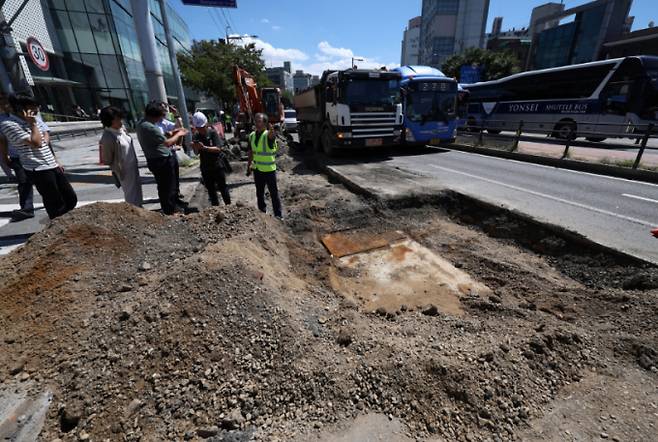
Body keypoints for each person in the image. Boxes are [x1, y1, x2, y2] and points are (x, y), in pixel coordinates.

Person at [0, 94, 77, 219]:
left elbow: (44, 140)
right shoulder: (8, 125)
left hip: (51, 163)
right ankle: (57, 226)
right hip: (36, 167)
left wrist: (55, 160)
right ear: (21, 109)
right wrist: (33, 125)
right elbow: (36, 143)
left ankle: (64, 222)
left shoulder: (33, 119)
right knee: (54, 201)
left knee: (70, 197)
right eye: (32, 107)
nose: (36, 110)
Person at [136, 102, 187, 215]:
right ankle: (170, 210)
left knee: (166, 186)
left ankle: (171, 207)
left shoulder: (141, 123)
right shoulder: (149, 127)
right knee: (168, 187)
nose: (161, 119)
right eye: (160, 116)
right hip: (161, 160)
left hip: (157, 158)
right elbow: (167, 143)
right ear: (155, 115)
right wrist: (179, 134)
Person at [0, 94, 36, 221]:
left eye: (5, 101)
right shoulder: (2, 120)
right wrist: (5, 157)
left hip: (35, 153)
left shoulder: (27, 116)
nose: (4, 105)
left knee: (47, 179)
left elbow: (43, 133)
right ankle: (27, 208)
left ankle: (59, 201)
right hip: (17, 156)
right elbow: (2, 141)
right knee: (24, 181)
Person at [99, 106, 143, 207]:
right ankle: (134, 211)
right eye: (117, 119)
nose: (121, 121)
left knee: (137, 189)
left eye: (120, 118)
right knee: (130, 192)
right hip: (123, 169)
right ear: (109, 121)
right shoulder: (108, 137)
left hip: (132, 164)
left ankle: (139, 208)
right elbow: (107, 159)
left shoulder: (121, 130)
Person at [246, 113, 282, 219]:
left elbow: (271, 138)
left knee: (274, 194)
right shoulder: (252, 135)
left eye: (259, 121)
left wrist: (272, 132)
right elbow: (251, 152)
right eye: (256, 121)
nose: (257, 123)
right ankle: (262, 213)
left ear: (265, 123)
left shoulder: (268, 135)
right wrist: (249, 166)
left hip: (269, 170)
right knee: (259, 193)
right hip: (257, 170)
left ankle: (278, 215)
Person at [191, 111, 230, 207]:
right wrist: (195, 147)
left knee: (223, 188)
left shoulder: (212, 132)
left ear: (206, 124)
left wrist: (204, 148)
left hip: (217, 166)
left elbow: (218, 148)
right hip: (205, 167)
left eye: (202, 127)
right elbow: (196, 153)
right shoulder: (196, 136)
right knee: (211, 190)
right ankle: (215, 209)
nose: (201, 130)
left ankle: (229, 207)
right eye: (198, 128)